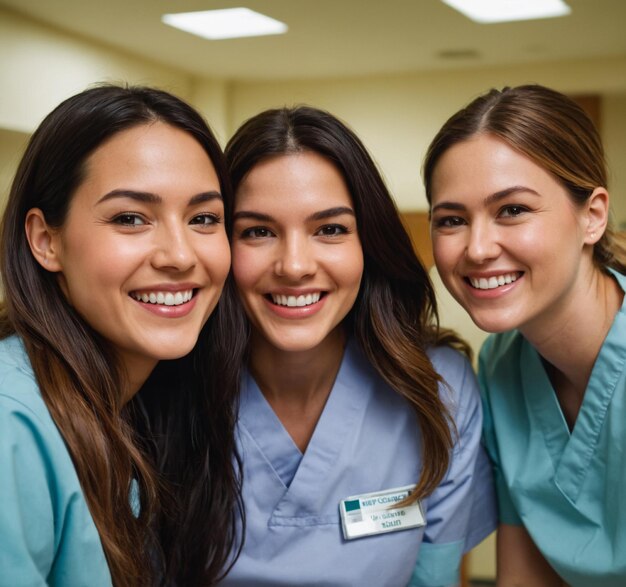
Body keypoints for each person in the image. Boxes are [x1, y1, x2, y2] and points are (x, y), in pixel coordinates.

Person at [222, 105, 496, 587]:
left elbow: (435, 578)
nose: (294, 265)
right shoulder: (162, 389)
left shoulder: (439, 389)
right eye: (258, 231)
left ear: (368, 244)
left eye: (330, 229)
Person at [0, 85, 244, 586]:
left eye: (203, 218)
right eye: (130, 218)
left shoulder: (142, 404)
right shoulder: (12, 426)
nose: (179, 255)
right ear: (47, 241)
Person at [424, 84, 626, 586]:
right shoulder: (501, 365)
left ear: (592, 216)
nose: (477, 248)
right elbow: (527, 572)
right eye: (452, 220)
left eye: (512, 210)